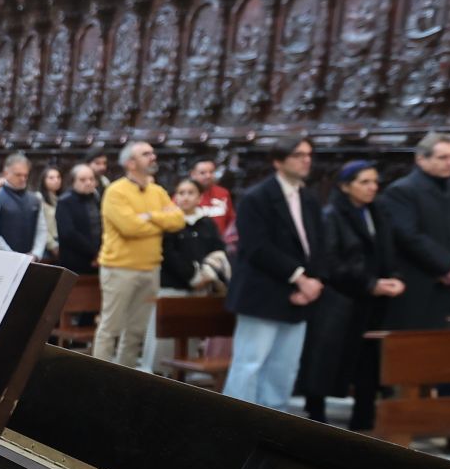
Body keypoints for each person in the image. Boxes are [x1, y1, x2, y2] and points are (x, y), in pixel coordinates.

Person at [223, 137, 325, 410]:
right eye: (298, 154)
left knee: (284, 366)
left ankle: (274, 422)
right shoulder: (257, 197)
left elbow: (315, 245)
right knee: (250, 363)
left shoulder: (309, 199)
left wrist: (313, 282)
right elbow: (257, 248)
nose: (306, 160)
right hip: (262, 292)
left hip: (298, 295)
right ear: (278, 161)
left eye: (308, 154)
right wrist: (300, 279)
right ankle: (236, 420)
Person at [301, 161, 404, 427]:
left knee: (369, 359)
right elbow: (331, 261)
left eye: (375, 182)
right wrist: (370, 283)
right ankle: (317, 413)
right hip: (341, 298)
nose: (372, 188)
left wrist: (394, 278)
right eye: (365, 182)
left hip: (373, 300)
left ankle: (364, 416)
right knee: (327, 358)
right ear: (346, 187)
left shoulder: (377, 212)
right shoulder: (332, 215)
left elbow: (387, 251)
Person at [95, 141, 184, 366]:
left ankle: (123, 375)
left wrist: (149, 216)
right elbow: (130, 228)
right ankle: (95, 375)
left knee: (135, 331)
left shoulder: (158, 191)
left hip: (150, 268)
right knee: (111, 329)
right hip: (120, 268)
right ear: (130, 163)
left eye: (152, 153)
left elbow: (178, 220)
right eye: (146, 154)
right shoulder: (116, 191)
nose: (153, 157)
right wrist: (159, 219)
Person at [375, 133, 450, 331]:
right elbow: (408, 235)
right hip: (417, 280)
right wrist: (447, 266)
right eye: (443, 157)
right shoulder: (402, 190)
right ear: (420, 158)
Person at [140, 178, 230, 374]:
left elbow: (218, 250)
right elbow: (169, 254)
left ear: (199, 197)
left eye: (190, 193)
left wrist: (207, 274)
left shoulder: (207, 223)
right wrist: (193, 277)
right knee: (163, 341)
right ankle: (157, 375)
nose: (185, 197)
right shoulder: (170, 222)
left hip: (202, 287)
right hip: (173, 286)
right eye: (181, 193)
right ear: (175, 197)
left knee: (191, 339)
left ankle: (187, 377)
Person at [0, 153, 39, 254]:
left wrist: (36, 253)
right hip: (1, 259)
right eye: (18, 175)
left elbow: (41, 230)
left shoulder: (36, 199)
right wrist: (12, 255)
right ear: (6, 173)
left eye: (26, 175)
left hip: (30, 259)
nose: (23, 179)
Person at [53, 164, 101, 274]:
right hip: (75, 262)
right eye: (82, 180)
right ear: (73, 181)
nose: (88, 182)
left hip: (99, 260)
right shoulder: (65, 201)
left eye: (91, 179)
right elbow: (68, 234)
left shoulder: (96, 199)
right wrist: (94, 253)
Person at [191, 158, 235, 246]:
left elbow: (231, 221)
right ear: (193, 174)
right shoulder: (184, 194)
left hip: (220, 245)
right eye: (203, 173)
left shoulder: (223, 193)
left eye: (211, 172)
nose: (208, 176)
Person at [35, 165, 62, 261]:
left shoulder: (60, 198)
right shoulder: (39, 197)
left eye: (58, 177)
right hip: (47, 244)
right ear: (43, 180)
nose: (56, 180)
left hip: (60, 240)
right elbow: (41, 225)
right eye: (51, 178)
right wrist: (52, 245)